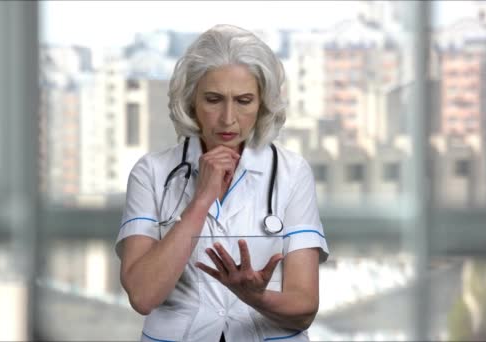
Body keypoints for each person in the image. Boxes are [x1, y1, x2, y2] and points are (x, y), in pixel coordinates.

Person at [116, 24, 329, 342]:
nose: (228, 118)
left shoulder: (291, 173)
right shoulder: (151, 172)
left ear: (262, 105)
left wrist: (255, 296)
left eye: (244, 101)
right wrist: (200, 201)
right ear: (191, 102)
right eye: (213, 100)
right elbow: (143, 296)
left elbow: (304, 306)